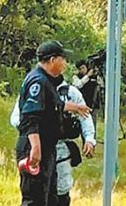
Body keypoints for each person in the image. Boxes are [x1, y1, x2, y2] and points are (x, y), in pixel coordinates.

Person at [16, 40, 91, 206]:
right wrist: (35, 148)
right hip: (35, 146)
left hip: (48, 146)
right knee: (34, 200)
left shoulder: (48, 81)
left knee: (50, 198)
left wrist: (75, 107)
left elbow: (53, 105)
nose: (65, 63)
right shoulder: (38, 82)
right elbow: (30, 117)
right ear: (52, 60)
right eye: (62, 59)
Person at [11, 81, 96, 206]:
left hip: (61, 148)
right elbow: (16, 118)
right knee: (36, 190)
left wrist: (89, 139)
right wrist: (35, 128)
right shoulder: (34, 90)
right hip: (38, 147)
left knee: (62, 188)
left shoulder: (71, 93)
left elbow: (85, 115)